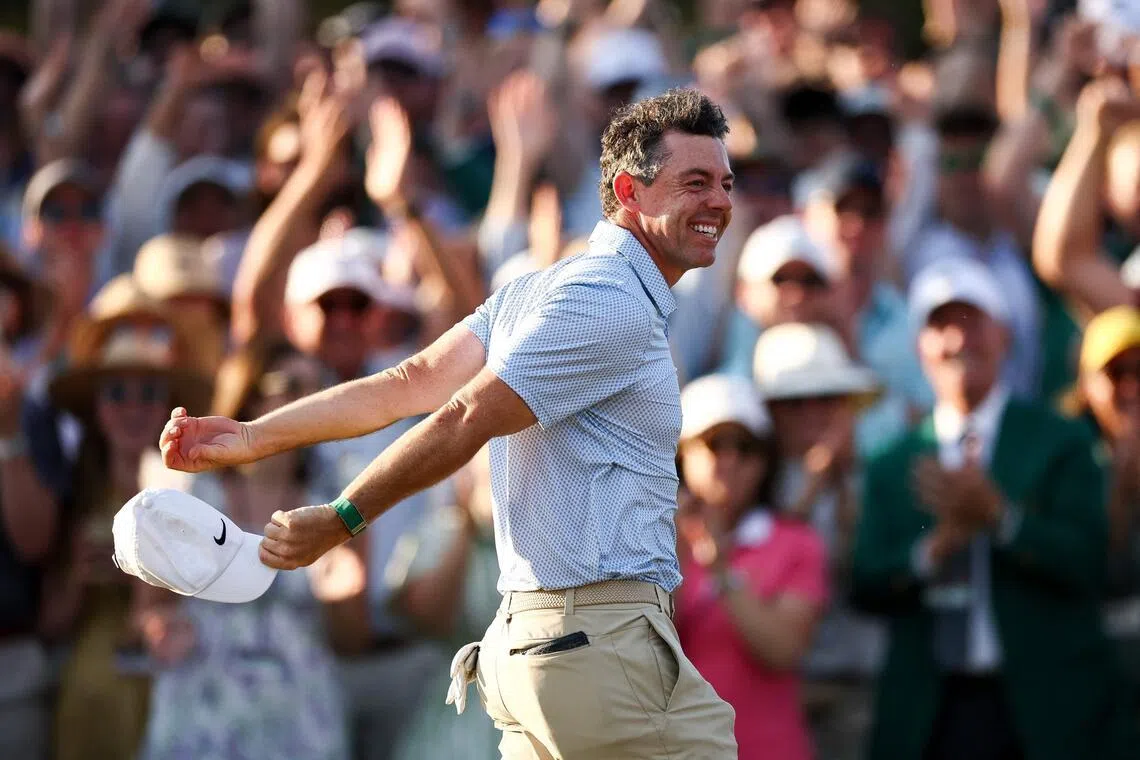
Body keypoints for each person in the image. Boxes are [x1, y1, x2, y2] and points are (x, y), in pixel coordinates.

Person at [160, 87, 739, 759]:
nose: (719, 202)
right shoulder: (608, 301)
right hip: (599, 649)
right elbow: (463, 414)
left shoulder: (538, 290)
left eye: (725, 183)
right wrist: (343, 517)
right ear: (629, 192)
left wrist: (258, 434)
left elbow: (404, 386)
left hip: (543, 650)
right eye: (695, 182)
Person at [851, 257, 1136, 760]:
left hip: (1045, 714)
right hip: (933, 716)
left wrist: (1001, 519)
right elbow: (865, 582)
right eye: (941, 326)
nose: (958, 341)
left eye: (971, 322)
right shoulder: (891, 463)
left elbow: (1089, 563)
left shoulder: (1059, 441)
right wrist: (931, 551)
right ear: (921, 348)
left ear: (1004, 336)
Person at [674, 373, 827, 760]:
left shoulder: (797, 542)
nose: (729, 460)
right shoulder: (656, 544)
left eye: (745, 447)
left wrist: (721, 569)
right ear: (683, 454)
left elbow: (782, 649)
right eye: (713, 444)